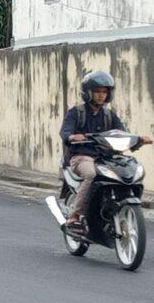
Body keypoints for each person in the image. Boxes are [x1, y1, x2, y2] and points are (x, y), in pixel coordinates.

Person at [60, 71, 152, 232]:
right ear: (88, 92)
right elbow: (65, 132)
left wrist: (138, 140)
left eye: (104, 92)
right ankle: (75, 216)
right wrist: (73, 136)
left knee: (130, 171)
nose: (101, 95)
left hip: (107, 158)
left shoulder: (110, 116)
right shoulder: (76, 112)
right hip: (82, 157)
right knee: (91, 174)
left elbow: (122, 135)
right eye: (97, 91)